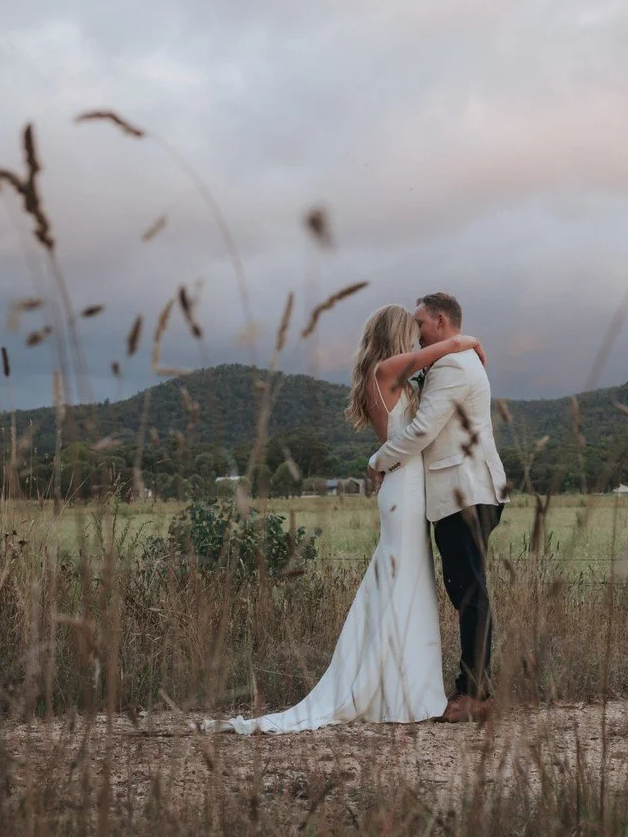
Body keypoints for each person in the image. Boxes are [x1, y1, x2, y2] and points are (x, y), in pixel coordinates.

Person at [204, 304, 486, 734]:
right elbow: (448, 346)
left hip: (405, 490)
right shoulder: (385, 372)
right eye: (410, 332)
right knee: (404, 582)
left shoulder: (387, 377)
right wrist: (469, 341)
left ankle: (401, 687)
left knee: (405, 583)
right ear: (395, 335)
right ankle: (397, 691)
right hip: (403, 492)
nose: (416, 340)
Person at [368, 292, 508, 723]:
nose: (416, 333)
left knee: (469, 592)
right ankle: (472, 688)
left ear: (441, 321)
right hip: (460, 491)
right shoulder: (447, 361)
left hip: (464, 491)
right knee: (465, 589)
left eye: (421, 324)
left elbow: (425, 429)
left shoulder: (450, 365)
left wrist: (378, 461)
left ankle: (475, 694)